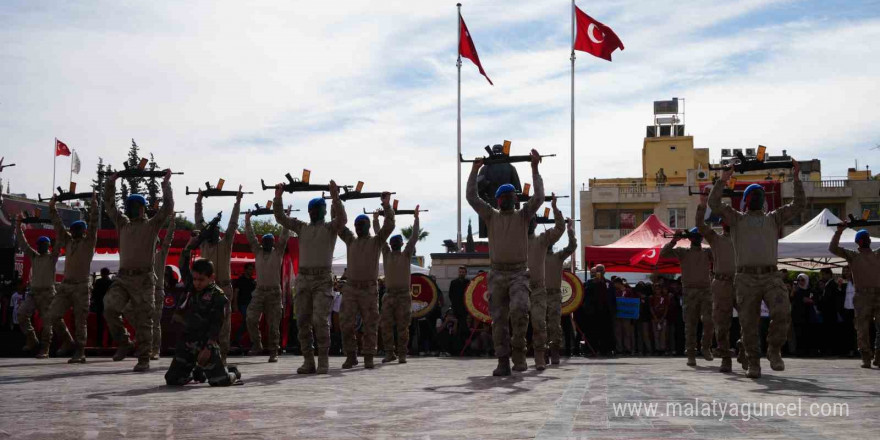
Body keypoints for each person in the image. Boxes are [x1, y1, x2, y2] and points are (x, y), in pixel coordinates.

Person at [709, 161, 804, 378]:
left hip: (771, 275)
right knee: (748, 324)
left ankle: (773, 349)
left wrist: (796, 178)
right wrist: (723, 179)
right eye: (752, 194)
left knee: (782, 312)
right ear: (745, 202)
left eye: (759, 193)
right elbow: (714, 204)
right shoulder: (736, 220)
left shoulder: (774, 218)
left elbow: (798, 204)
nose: (757, 197)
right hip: (745, 278)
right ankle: (753, 362)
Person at [466, 149, 544, 376]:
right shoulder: (490, 216)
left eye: (510, 197)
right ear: (498, 201)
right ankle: (502, 360)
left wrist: (535, 167)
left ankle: (519, 355)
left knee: (520, 310)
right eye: (502, 198)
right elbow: (472, 197)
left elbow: (538, 197)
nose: (506, 200)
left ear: (515, 199)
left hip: (519, 273)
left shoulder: (523, 216)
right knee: (498, 320)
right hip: (497, 274)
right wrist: (474, 170)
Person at [102, 169, 174, 372]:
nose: (136, 209)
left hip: (144, 279)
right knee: (109, 307)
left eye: (138, 206)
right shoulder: (122, 224)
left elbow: (167, 208)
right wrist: (111, 183)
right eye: (132, 206)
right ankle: (124, 341)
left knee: (144, 319)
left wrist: (166, 184)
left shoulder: (152, 226)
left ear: (143, 208)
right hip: (123, 278)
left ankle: (143, 357)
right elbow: (109, 205)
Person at [274, 181, 345, 374]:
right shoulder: (302, 227)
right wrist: (278, 197)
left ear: (324, 210)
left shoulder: (330, 228)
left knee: (320, 320)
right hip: (304, 279)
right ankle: (308, 360)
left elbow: (342, 219)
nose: (314, 212)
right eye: (311, 209)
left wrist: (335, 197)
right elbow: (280, 218)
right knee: (302, 321)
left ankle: (323, 360)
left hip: (322, 279)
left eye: (318, 209)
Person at [164, 235, 243, 387]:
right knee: (172, 380)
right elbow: (183, 266)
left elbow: (216, 324)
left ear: (211, 278)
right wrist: (189, 246)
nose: (197, 283)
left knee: (220, 381)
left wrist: (208, 348)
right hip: (187, 342)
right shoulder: (191, 286)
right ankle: (194, 372)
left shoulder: (217, 296)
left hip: (205, 343)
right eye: (194, 279)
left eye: (201, 280)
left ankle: (232, 372)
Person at [337, 192, 394, 369]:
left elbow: (389, 226)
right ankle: (351, 355)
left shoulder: (376, 241)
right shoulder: (350, 240)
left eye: (361, 225)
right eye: (356, 225)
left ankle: (368, 356)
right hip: (351, 289)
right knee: (346, 324)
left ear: (368, 225)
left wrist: (387, 206)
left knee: (370, 324)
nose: (358, 227)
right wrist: (336, 201)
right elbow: (339, 224)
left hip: (369, 289)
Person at [42, 194, 99, 363]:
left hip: (81, 285)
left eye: (77, 230)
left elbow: (94, 224)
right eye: (73, 230)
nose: (74, 232)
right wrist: (52, 207)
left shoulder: (89, 242)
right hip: (66, 286)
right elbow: (59, 226)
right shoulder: (68, 241)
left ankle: (80, 351)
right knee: (52, 315)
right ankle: (67, 340)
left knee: (80, 320)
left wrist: (94, 205)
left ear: (83, 231)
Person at [194, 188, 242, 363]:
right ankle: (202, 356)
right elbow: (199, 222)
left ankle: (222, 357)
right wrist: (198, 201)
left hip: (223, 287)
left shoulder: (225, 243)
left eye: (215, 230)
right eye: (210, 230)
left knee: (224, 325)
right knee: (203, 323)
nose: (213, 232)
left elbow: (233, 224)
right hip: (206, 289)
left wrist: (237, 203)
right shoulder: (204, 245)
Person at [15, 216, 72, 357]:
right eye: (39, 245)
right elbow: (23, 243)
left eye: (44, 245)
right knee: (21, 314)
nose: (41, 247)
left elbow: (59, 242)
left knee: (48, 323)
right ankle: (32, 339)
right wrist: (18, 226)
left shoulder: (52, 257)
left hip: (47, 294)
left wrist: (57, 224)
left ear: (48, 246)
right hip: (33, 293)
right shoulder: (34, 256)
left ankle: (45, 348)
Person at [829, 223, 880, 368]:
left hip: (870, 295)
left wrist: (839, 232)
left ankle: (873, 357)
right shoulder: (857, 255)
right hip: (865, 295)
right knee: (863, 328)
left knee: (863, 328)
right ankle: (869, 357)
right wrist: (838, 232)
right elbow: (832, 248)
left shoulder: (861, 255)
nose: (866, 240)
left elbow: (833, 248)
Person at [243, 210, 290, 363]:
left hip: (274, 293)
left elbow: (284, 237)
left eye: (270, 241)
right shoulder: (258, 252)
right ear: (262, 243)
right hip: (260, 291)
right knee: (250, 318)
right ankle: (257, 344)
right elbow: (250, 237)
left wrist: (285, 219)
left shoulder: (278, 253)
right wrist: (248, 221)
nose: (267, 243)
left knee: (273, 324)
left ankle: (273, 351)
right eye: (264, 241)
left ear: (273, 243)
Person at [661, 229, 713, 367]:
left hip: (705, 290)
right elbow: (664, 254)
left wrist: (710, 235)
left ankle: (706, 347)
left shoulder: (708, 252)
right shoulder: (683, 252)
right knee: (690, 323)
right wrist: (674, 240)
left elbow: (722, 253)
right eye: (695, 236)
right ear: (690, 238)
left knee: (709, 321)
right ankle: (691, 353)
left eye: (699, 237)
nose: (698, 239)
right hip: (689, 291)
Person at [696, 197, 736, 372]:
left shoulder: (743, 238)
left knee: (749, 320)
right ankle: (725, 358)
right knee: (721, 323)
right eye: (724, 220)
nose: (726, 222)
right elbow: (700, 225)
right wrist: (703, 205)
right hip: (721, 283)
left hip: (742, 281)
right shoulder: (715, 239)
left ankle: (746, 351)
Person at [526, 197, 564, 370]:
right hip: (516, 287)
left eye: (532, 222)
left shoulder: (541, 240)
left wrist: (555, 208)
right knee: (514, 323)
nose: (529, 224)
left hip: (537, 290)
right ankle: (515, 357)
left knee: (539, 323)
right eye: (527, 221)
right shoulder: (514, 241)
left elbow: (559, 228)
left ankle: (540, 356)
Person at [378, 206, 420, 364]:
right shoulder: (386, 253)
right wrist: (376, 220)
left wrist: (416, 218)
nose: (395, 243)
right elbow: (380, 236)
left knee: (403, 326)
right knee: (386, 325)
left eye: (397, 241)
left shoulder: (406, 254)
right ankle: (390, 353)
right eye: (392, 241)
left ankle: (402, 353)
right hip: (389, 295)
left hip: (403, 295)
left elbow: (414, 237)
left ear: (402, 244)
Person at [544, 220, 577, 364]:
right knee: (540, 325)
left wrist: (570, 231)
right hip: (539, 295)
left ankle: (555, 351)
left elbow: (572, 247)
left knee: (555, 325)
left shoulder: (557, 256)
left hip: (554, 294)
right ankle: (543, 352)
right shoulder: (535, 258)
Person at [584, 265, 616, 356]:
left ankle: (606, 350)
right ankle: (592, 350)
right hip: (593, 311)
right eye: (597, 270)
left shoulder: (609, 283)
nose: (599, 272)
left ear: (604, 271)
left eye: (601, 270)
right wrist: (593, 284)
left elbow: (613, 298)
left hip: (606, 311)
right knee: (592, 331)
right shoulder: (589, 282)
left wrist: (614, 311)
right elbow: (585, 294)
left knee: (606, 331)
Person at [817, 268, 842, 356]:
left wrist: (821, 304)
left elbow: (828, 300)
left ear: (828, 274)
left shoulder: (832, 285)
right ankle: (828, 349)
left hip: (830, 312)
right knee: (828, 331)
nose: (822, 277)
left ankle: (831, 350)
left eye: (823, 274)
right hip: (827, 313)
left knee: (830, 331)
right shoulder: (827, 285)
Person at [232, 263, 256, 348]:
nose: (251, 271)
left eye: (252, 269)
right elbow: (236, 293)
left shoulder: (253, 281)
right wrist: (235, 304)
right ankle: (237, 339)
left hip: (252, 305)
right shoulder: (240, 280)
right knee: (246, 322)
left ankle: (248, 341)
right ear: (245, 270)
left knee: (251, 322)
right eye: (250, 269)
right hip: (243, 304)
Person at [447, 266, 471, 349]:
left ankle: (465, 348)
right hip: (456, 309)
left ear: (465, 273)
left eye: (463, 272)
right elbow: (450, 295)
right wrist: (455, 304)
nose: (461, 273)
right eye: (460, 272)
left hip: (465, 309)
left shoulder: (468, 282)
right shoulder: (454, 282)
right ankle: (456, 347)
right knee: (455, 328)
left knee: (465, 329)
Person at [790, 274, 812, 357]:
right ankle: (799, 350)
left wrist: (809, 300)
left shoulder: (809, 290)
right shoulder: (796, 290)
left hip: (807, 314)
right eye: (798, 280)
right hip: (797, 315)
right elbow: (791, 299)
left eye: (802, 280)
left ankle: (807, 350)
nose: (800, 282)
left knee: (806, 332)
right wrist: (793, 290)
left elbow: (812, 299)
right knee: (798, 333)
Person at [612, 278, 636, 356]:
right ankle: (619, 349)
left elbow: (632, 302)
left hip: (626, 315)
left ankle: (627, 348)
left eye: (615, 284)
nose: (614, 285)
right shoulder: (615, 292)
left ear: (619, 283)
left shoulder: (628, 291)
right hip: (618, 315)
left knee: (627, 332)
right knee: (618, 332)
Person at [91, 268, 113, 347]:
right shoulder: (111, 283)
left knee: (100, 325)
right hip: (109, 305)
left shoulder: (98, 282)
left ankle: (99, 343)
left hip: (100, 305)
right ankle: (109, 343)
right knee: (110, 325)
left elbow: (94, 294)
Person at [650, 283, 670, 355]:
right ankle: (657, 349)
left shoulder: (664, 298)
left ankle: (663, 349)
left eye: (659, 289)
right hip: (654, 318)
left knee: (663, 334)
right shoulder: (652, 298)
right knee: (656, 334)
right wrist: (655, 317)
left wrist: (662, 318)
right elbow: (651, 308)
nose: (657, 290)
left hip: (663, 318)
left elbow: (666, 308)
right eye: (656, 289)